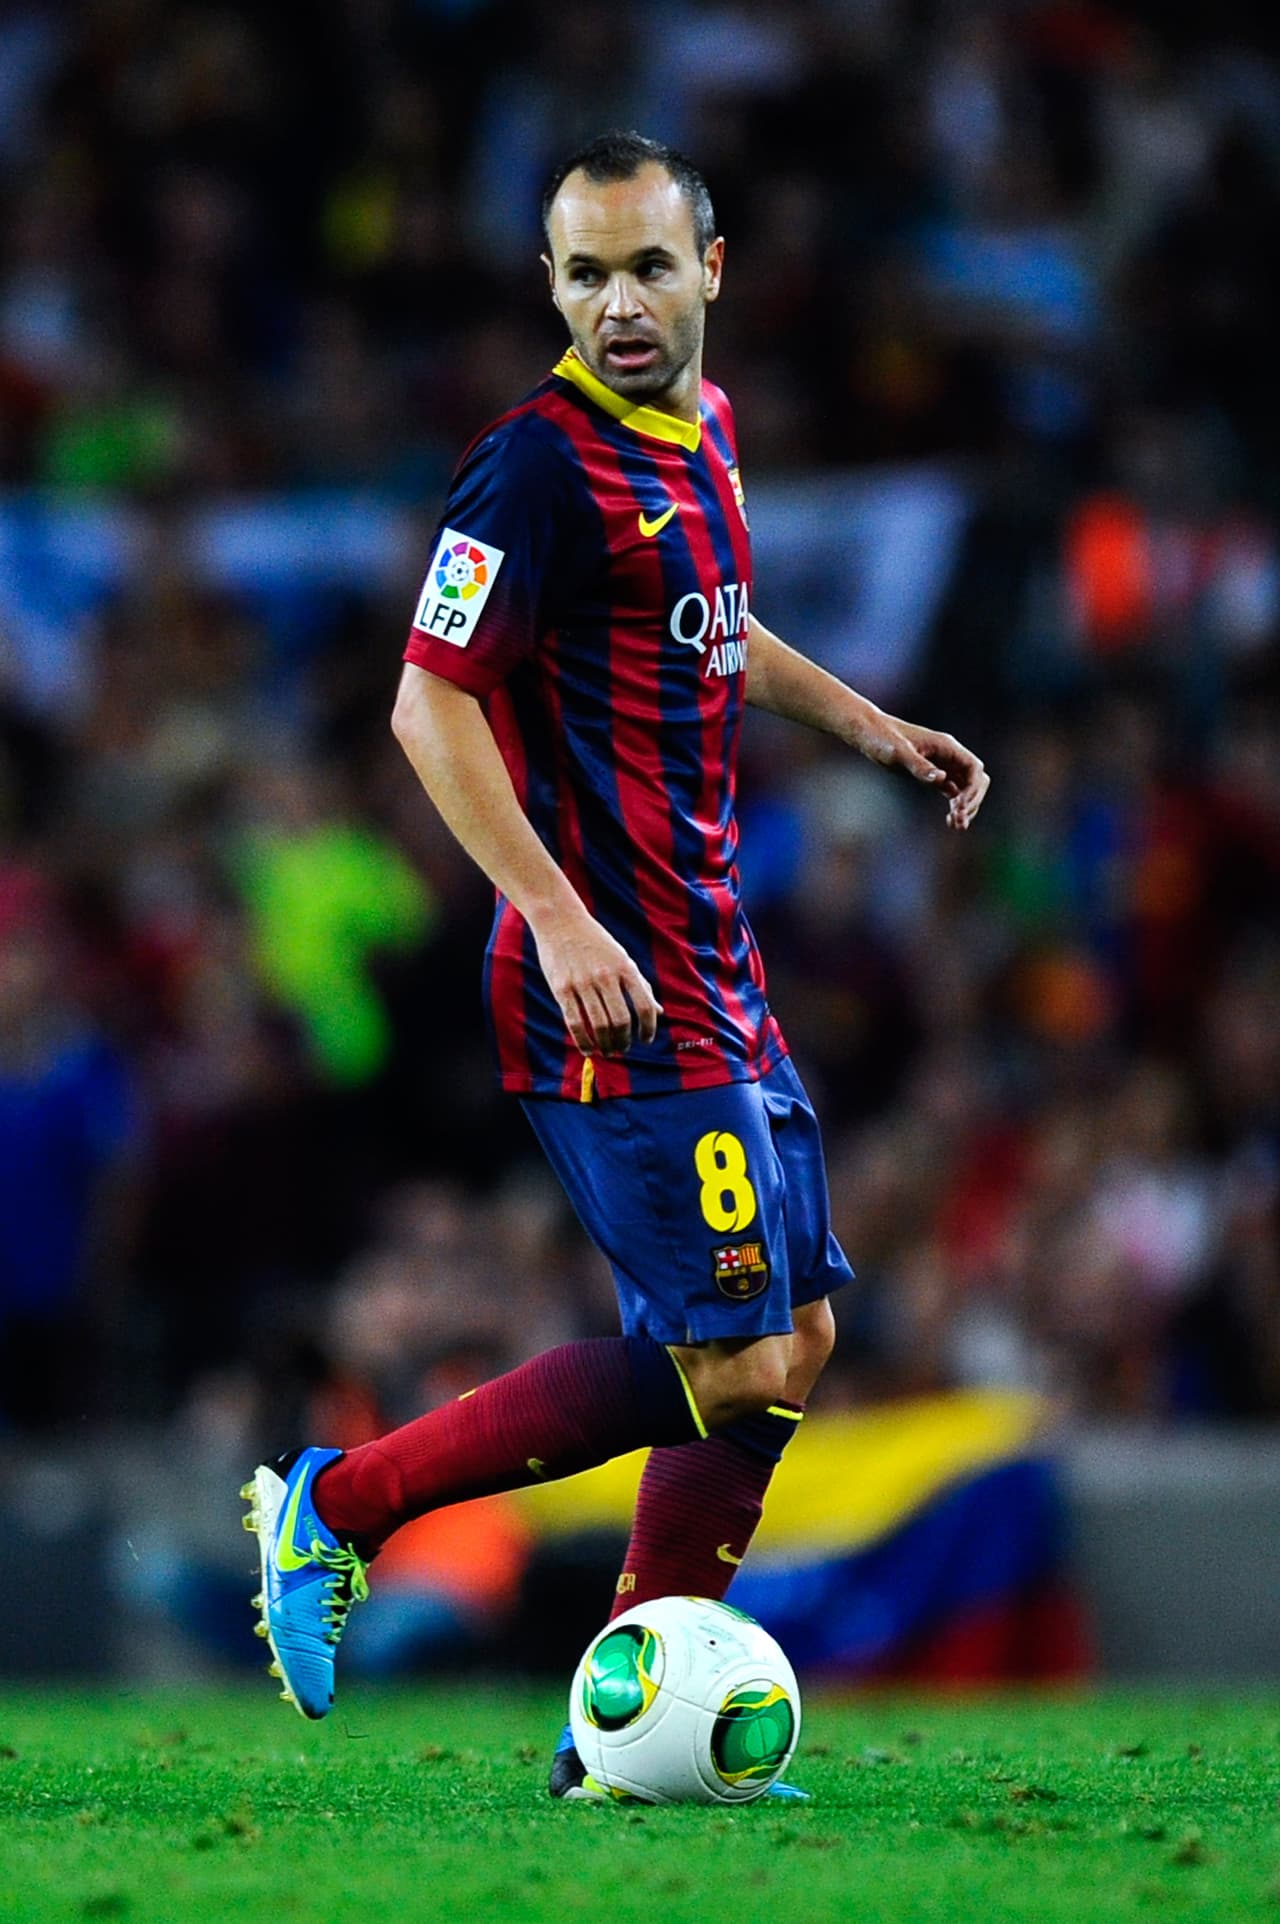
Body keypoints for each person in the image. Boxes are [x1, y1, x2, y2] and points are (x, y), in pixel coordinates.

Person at [241, 131, 989, 1798]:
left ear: (710, 269)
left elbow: (716, 623)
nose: (618, 305)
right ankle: (337, 1506)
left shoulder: (701, 433)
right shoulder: (533, 468)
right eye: (584, 274)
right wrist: (563, 915)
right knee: (728, 1358)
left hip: (711, 964)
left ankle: (608, 1743)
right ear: (550, 285)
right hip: (610, 987)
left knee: (789, 1347)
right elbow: (426, 701)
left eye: (648, 267)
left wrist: (871, 727)